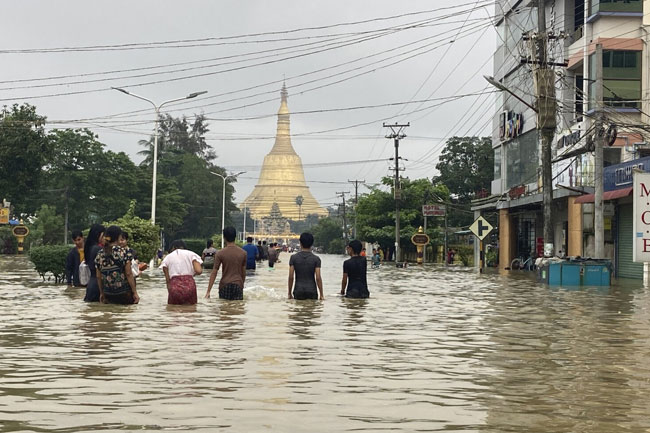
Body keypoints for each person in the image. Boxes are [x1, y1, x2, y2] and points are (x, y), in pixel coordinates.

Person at [95, 225, 140, 305]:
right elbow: (129, 274)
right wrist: (135, 292)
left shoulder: (100, 254)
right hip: (124, 293)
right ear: (119, 237)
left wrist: (102, 293)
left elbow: (98, 276)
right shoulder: (124, 252)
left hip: (108, 293)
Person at [205, 227, 247, 300]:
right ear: (235, 237)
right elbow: (243, 272)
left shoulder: (220, 253)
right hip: (238, 284)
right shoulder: (243, 253)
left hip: (224, 285)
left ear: (224, 238)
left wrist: (208, 291)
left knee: (224, 308)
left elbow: (214, 272)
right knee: (238, 309)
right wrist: (241, 285)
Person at [161, 239, 203, 305]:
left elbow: (168, 280)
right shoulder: (191, 254)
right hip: (190, 285)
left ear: (173, 247)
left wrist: (170, 291)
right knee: (191, 310)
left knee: (173, 311)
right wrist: (191, 274)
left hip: (174, 286)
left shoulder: (167, 257)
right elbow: (199, 271)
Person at [288, 232, 324, 300]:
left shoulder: (293, 258)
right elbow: (318, 278)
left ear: (300, 243)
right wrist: (321, 294)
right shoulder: (316, 259)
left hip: (298, 290)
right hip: (312, 290)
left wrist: (289, 293)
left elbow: (291, 277)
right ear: (312, 243)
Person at [83, 224, 105, 302]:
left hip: (91, 284)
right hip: (97, 285)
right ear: (98, 235)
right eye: (103, 235)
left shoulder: (89, 247)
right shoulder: (98, 249)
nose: (105, 238)